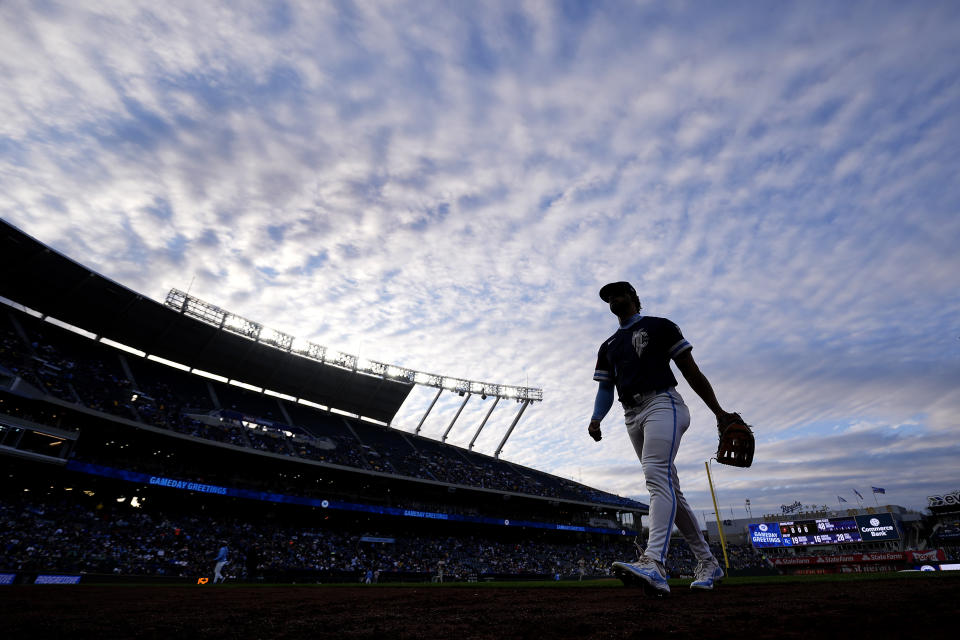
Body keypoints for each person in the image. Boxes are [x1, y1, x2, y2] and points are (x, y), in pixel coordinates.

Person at [588, 281, 734, 595]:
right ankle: (708, 562)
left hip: (662, 403)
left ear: (633, 297)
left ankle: (654, 562)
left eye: (618, 293)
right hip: (631, 414)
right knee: (669, 488)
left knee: (655, 477)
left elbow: (691, 370)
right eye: (608, 296)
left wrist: (719, 412)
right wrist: (596, 417)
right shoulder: (609, 345)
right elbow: (605, 389)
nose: (613, 298)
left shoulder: (660, 326)